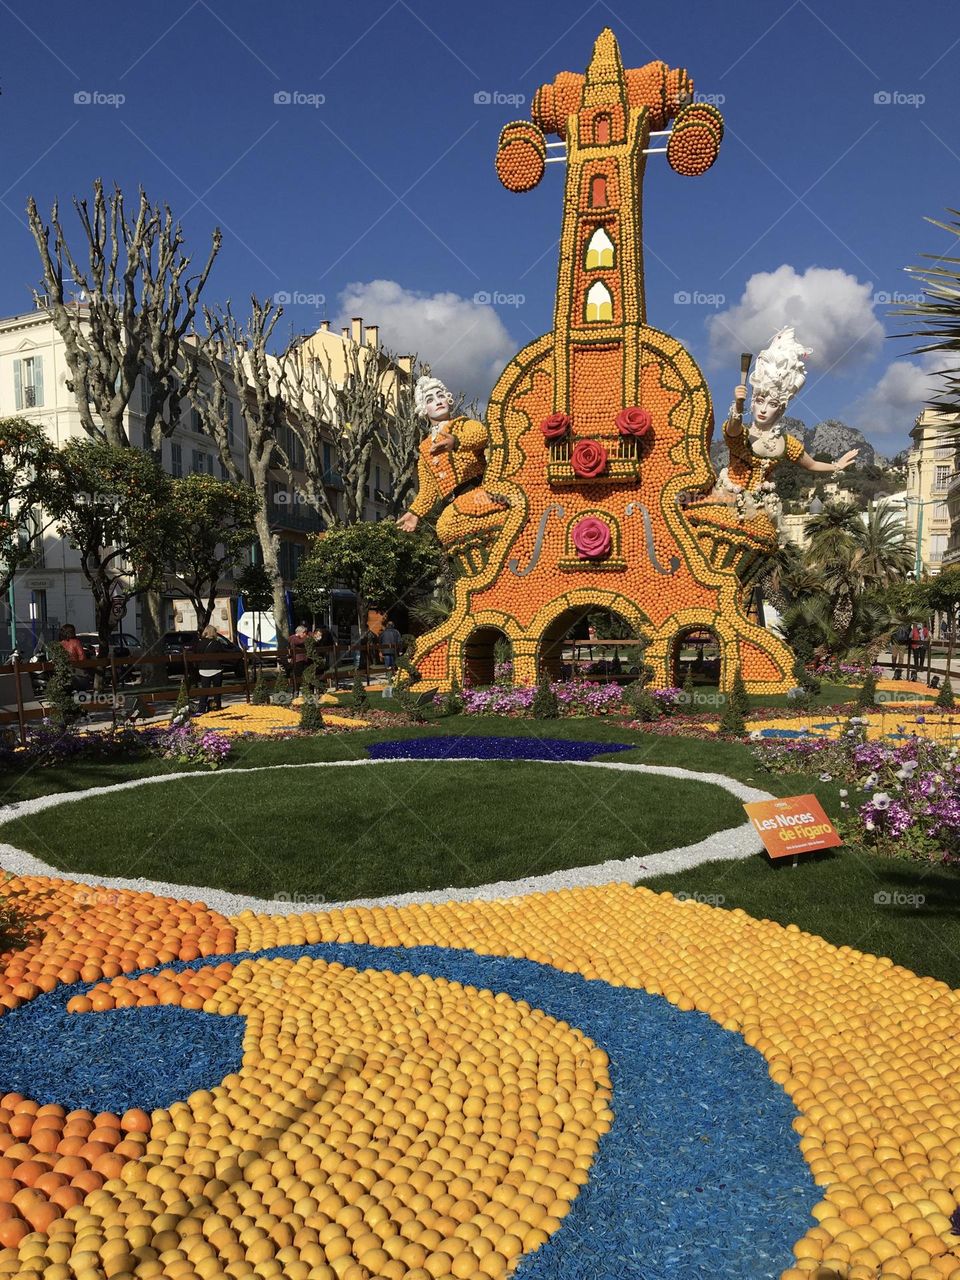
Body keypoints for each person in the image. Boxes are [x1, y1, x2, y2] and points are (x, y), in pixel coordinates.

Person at [705, 328, 858, 521]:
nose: (763, 409)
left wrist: (837, 466)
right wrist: (738, 404)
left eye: (772, 404)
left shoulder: (786, 443)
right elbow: (733, 429)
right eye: (759, 401)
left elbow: (811, 464)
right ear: (752, 403)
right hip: (729, 507)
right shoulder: (743, 435)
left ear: (781, 409)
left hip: (762, 513)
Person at [396, 375, 509, 550]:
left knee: (449, 524)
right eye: (430, 399)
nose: (438, 401)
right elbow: (427, 490)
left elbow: (481, 434)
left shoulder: (463, 424)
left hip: (480, 491)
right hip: (454, 501)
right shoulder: (425, 447)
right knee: (446, 531)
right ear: (423, 408)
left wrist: (456, 442)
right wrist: (414, 513)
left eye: (440, 396)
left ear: (448, 399)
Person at [194, 624, 228, 712]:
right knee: (217, 689)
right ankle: (216, 706)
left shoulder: (200, 643)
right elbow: (223, 655)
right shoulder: (217, 643)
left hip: (203, 669)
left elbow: (196, 655)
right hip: (216, 669)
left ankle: (202, 708)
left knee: (204, 690)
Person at [288, 623, 310, 693]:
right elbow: (299, 642)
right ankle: (295, 692)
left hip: (303, 660)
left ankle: (306, 691)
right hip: (297, 661)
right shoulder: (293, 638)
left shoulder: (300, 638)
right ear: (299, 632)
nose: (305, 634)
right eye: (304, 633)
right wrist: (307, 637)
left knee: (305, 677)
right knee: (297, 677)